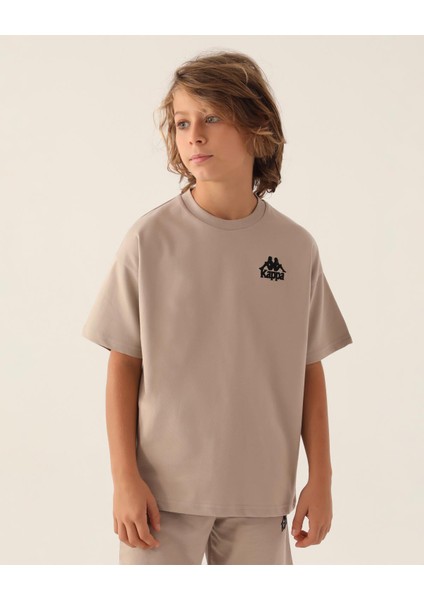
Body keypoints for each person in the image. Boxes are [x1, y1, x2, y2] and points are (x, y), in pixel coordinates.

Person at [81, 49, 353, 565]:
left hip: (262, 494)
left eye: (211, 118)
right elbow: (123, 364)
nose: (194, 136)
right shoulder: (150, 240)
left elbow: (308, 368)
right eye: (183, 122)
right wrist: (124, 480)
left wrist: (321, 479)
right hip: (160, 498)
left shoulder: (295, 247)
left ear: (256, 126)